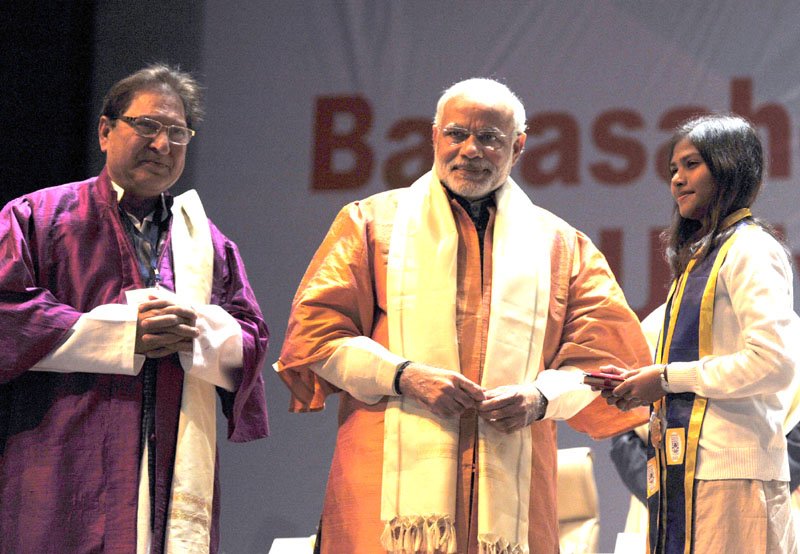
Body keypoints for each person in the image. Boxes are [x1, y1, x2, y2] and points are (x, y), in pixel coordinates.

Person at [275, 78, 650, 554]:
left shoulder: (562, 247)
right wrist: (405, 376)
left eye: (490, 138)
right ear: (434, 137)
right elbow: (317, 335)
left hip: (513, 486)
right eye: (456, 134)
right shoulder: (371, 224)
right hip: (384, 483)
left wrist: (538, 397)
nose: (470, 150)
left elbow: (607, 364)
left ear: (518, 147)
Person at [0, 64, 269, 554]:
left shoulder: (206, 243)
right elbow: (6, 311)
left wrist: (198, 334)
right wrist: (125, 336)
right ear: (105, 131)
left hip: (169, 461)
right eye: (147, 126)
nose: (162, 145)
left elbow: (251, 336)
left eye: (178, 132)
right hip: (63, 461)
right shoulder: (37, 218)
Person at [602, 114, 800, 553]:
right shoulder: (700, 258)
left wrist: (668, 378)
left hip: (734, 476)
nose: (677, 180)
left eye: (691, 165)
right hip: (686, 473)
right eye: (673, 169)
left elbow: (775, 363)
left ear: (728, 166)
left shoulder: (751, 249)